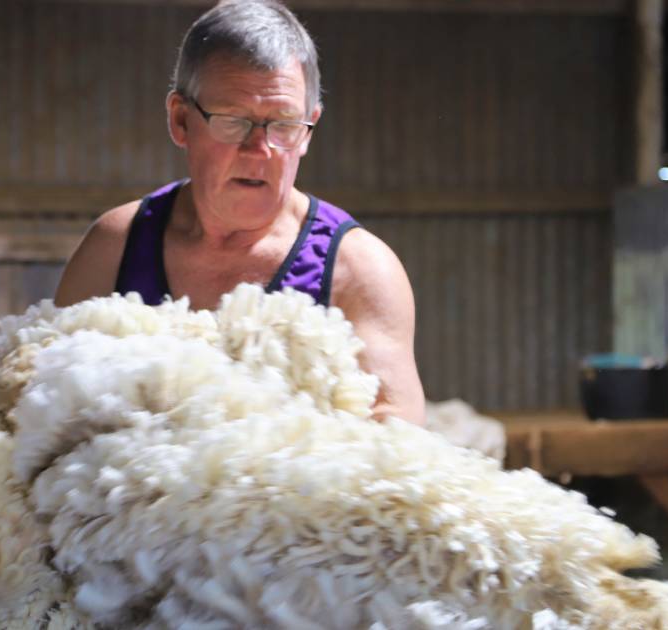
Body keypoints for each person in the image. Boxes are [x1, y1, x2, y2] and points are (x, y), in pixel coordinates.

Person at [54, 0, 425, 425]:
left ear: (309, 129)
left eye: (284, 124)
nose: (260, 149)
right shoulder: (116, 247)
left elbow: (397, 449)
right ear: (180, 119)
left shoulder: (358, 270)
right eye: (234, 121)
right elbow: (47, 409)